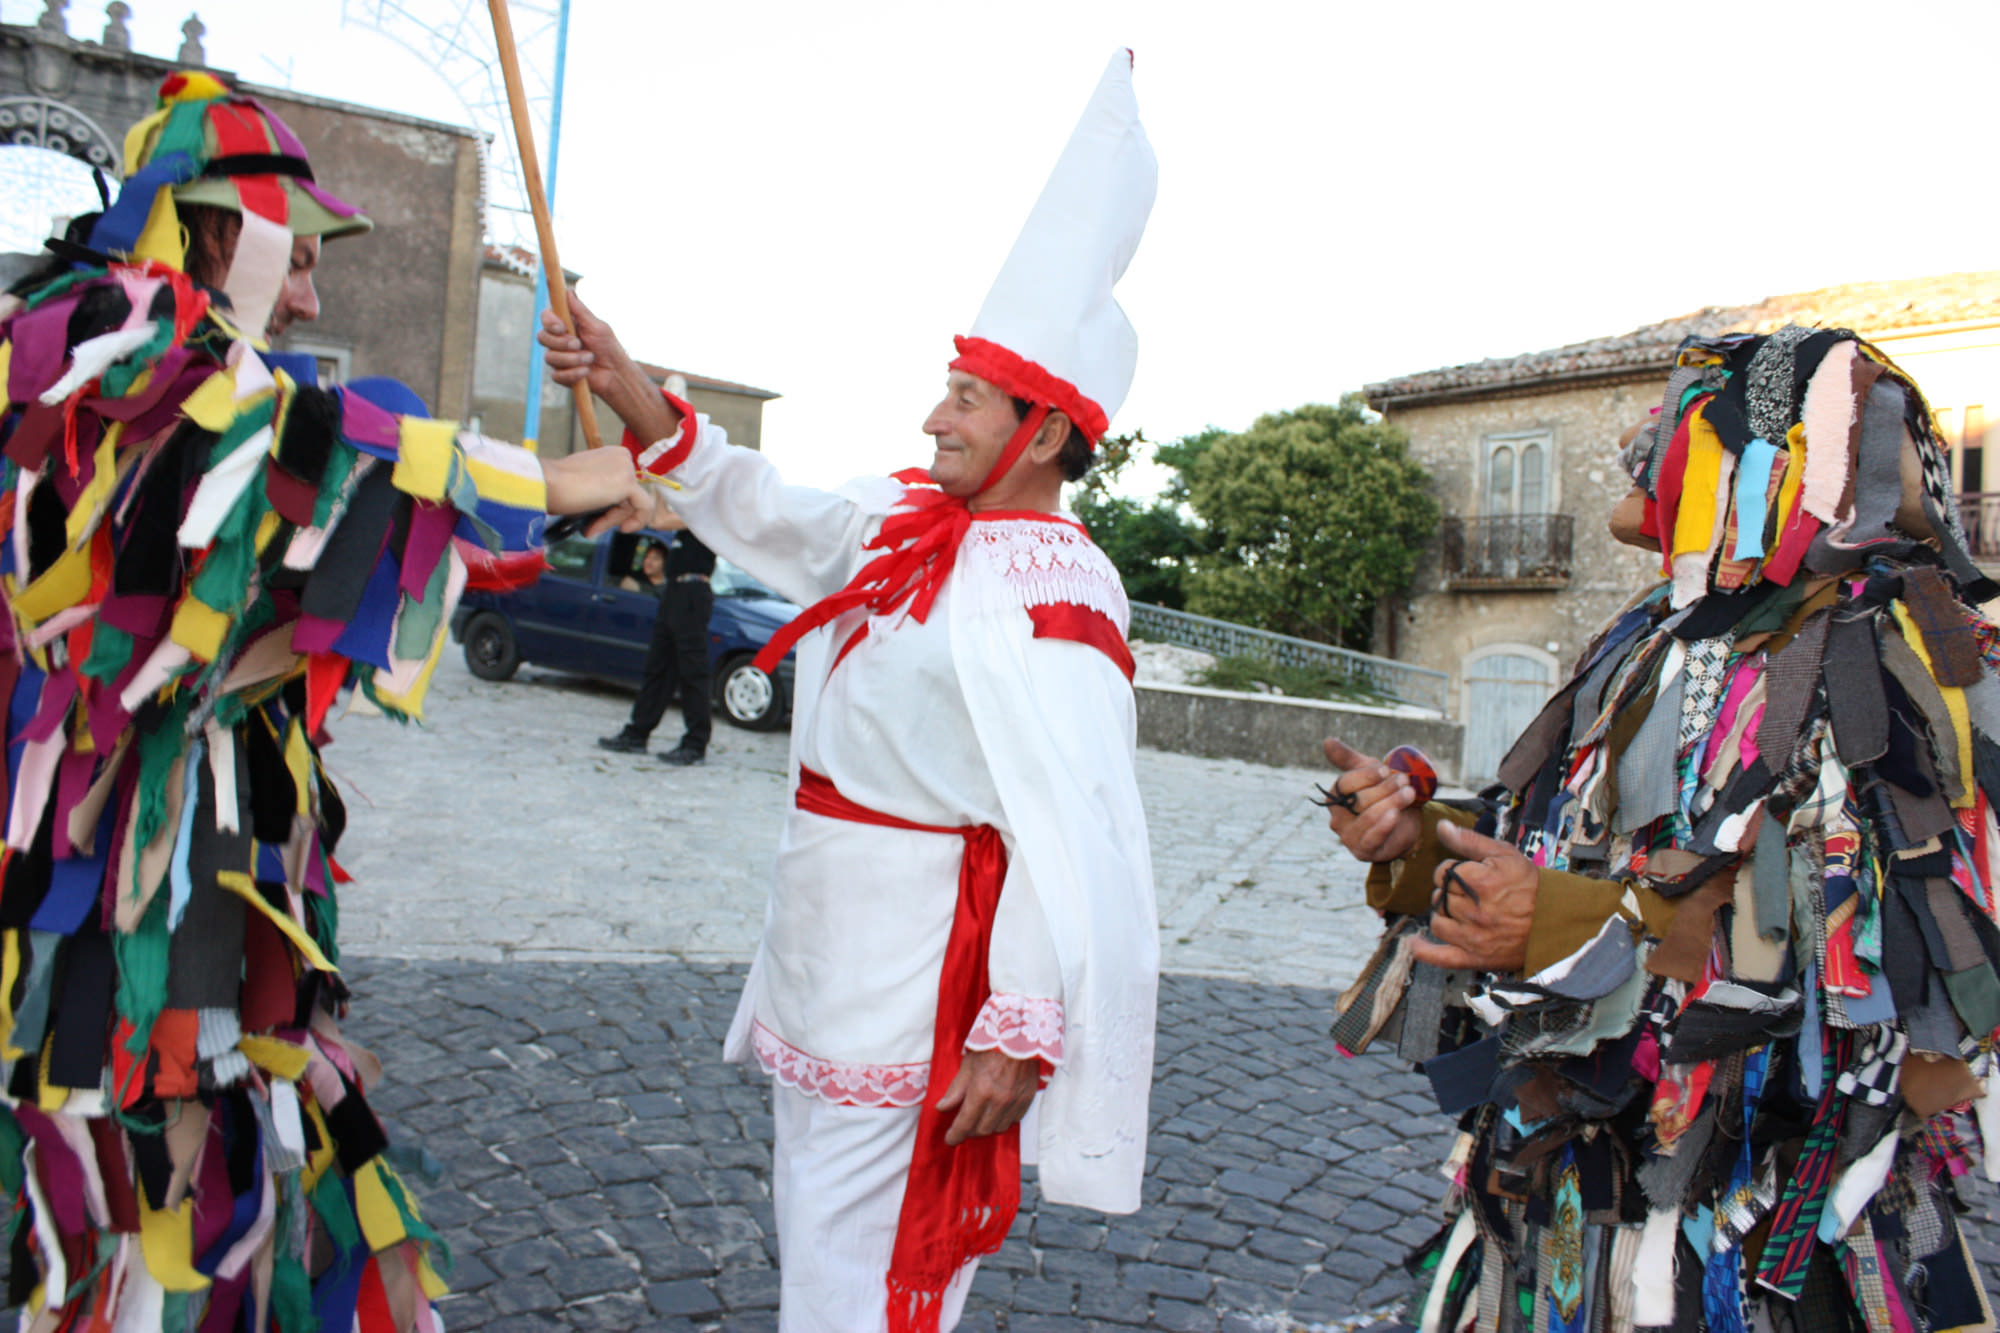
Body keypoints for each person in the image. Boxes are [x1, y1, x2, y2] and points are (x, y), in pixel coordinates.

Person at [0, 72, 649, 1330]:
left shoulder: (165, 360)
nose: (309, 294)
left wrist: (544, 512)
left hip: (207, 843)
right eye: (295, 260)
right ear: (215, 230)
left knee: (217, 1126)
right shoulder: (109, 345)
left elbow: (322, 543)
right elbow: (300, 451)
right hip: (123, 868)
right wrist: (557, 479)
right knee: (135, 1137)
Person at [543, 49, 1159, 1333]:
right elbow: (754, 504)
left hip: (927, 969)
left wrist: (1019, 1021)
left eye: (966, 397)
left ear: (1042, 431)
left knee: (874, 1274)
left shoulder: (1064, 588)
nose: (933, 415)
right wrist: (625, 381)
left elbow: (1072, 824)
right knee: (818, 1238)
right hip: (822, 936)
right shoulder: (891, 515)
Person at [1322, 327, 2000, 1332]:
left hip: (1760, 1222)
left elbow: (1884, 979)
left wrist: (1562, 922)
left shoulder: (1907, 649)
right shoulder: (1645, 636)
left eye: (1686, 425)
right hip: (1565, 1187)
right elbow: (1561, 837)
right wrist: (1419, 842)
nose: (1646, 454)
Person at [600, 518, 716, 765]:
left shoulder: (700, 507)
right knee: (658, 669)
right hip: (674, 592)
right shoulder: (682, 519)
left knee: (692, 672)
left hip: (692, 592)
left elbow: (660, 519)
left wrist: (660, 482)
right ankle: (637, 734)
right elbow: (657, 516)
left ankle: (695, 744)